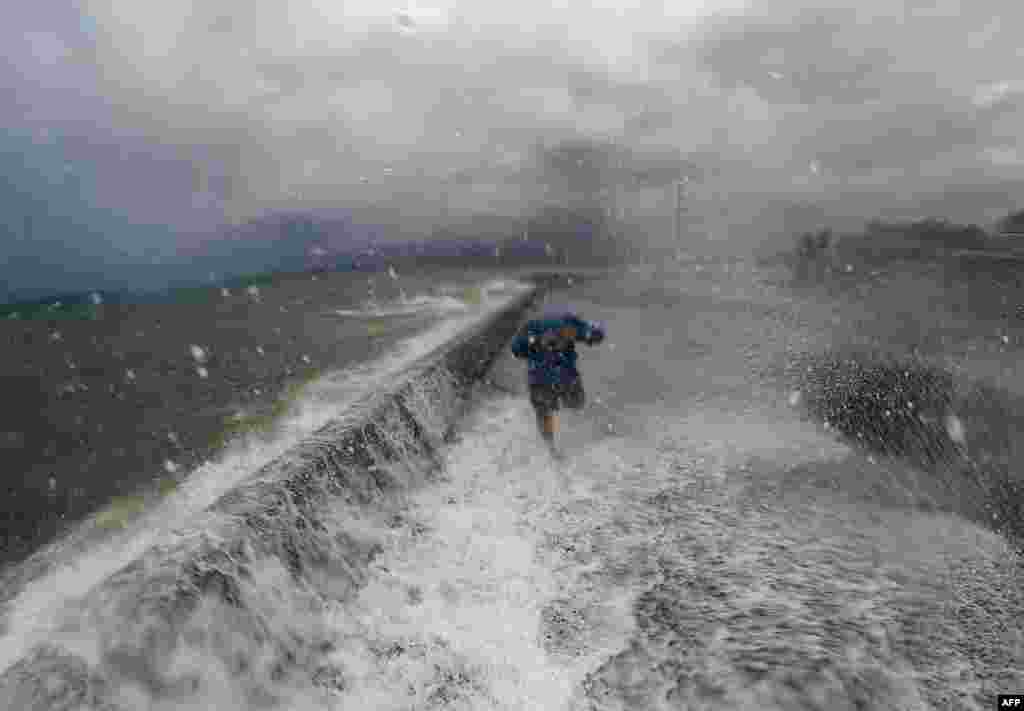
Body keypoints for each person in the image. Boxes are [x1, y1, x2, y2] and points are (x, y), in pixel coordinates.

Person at [510, 307, 605, 457]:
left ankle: (556, 445)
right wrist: (534, 341)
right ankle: (552, 448)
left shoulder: (564, 323)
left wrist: (581, 333)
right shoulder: (533, 327)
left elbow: (597, 334)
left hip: (556, 378)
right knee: (550, 410)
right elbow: (516, 348)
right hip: (545, 379)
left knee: (569, 407)